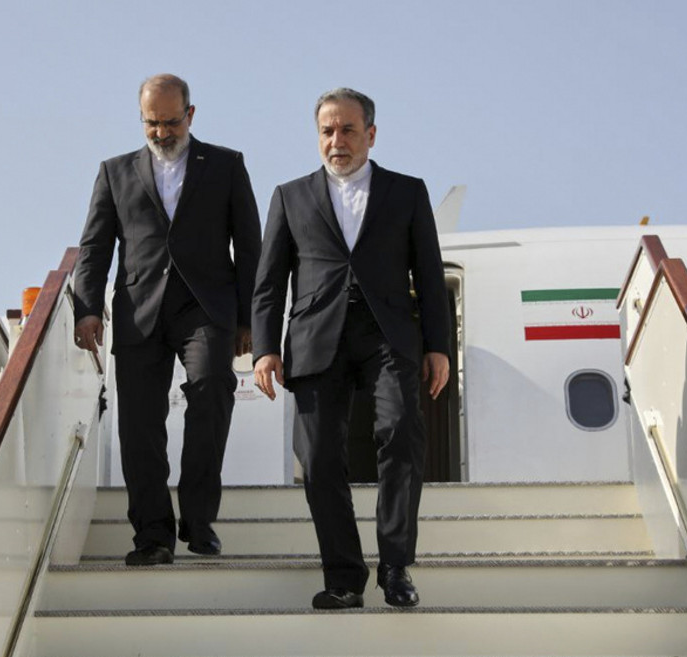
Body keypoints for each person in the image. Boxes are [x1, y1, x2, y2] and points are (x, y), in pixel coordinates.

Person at [252, 87, 451, 608]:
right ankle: (343, 577)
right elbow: (269, 282)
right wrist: (265, 348)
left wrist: (438, 345)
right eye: (327, 131)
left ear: (371, 134)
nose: (336, 140)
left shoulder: (407, 192)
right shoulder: (289, 196)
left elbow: (430, 275)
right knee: (317, 456)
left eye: (347, 130)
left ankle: (396, 566)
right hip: (316, 337)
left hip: (388, 333)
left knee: (401, 432)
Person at [73, 74, 262, 566]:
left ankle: (198, 521)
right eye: (151, 123)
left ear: (190, 115)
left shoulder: (226, 165)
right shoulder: (114, 172)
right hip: (139, 311)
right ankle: (153, 535)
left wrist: (249, 319)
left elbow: (250, 246)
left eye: (171, 122)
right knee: (139, 424)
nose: (161, 132)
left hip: (205, 308)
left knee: (211, 389)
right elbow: (94, 247)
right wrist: (87, 308)